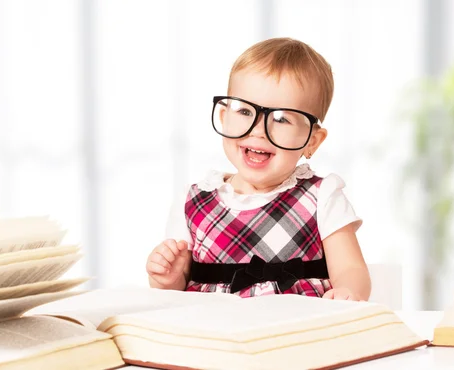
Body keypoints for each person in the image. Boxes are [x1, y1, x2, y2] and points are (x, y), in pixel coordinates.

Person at [146, 37, 371, 301]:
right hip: (216, 334)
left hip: (298, 331)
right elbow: (177, 289)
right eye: (244, 112)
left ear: (312, 140)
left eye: (281, 118)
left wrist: (348, 292)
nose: (257, 130)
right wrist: (167, 277)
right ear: (223, 116)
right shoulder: (193, 200)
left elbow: (350, 268)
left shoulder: (322, 196)